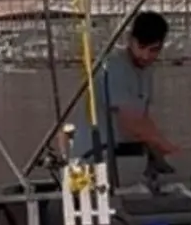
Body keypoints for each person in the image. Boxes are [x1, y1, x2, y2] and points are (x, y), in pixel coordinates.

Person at [69, 10, 180, 169]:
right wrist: (169, 148)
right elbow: (131, 123)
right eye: (141, 47)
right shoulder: (114, 67)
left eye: (154, 50)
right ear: (130, 40)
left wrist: (161, 157)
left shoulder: (146, 71)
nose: (146, 55)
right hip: (95, 158)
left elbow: (143, 120)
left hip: (124, 156)